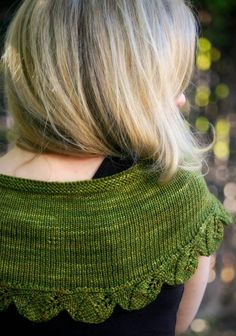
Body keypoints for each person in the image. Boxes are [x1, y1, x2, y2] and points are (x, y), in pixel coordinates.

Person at [0, 1, 233, 335]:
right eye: (170, 80)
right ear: (127, 87)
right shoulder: (176, 196)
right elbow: (175, 326)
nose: (181, 99)